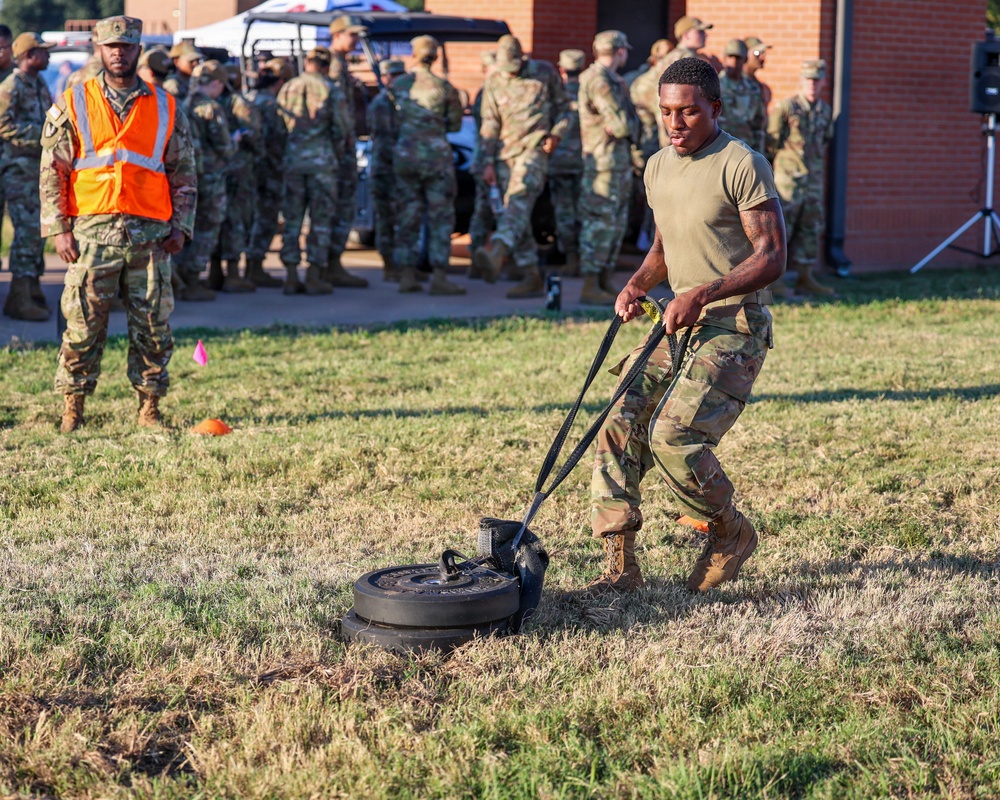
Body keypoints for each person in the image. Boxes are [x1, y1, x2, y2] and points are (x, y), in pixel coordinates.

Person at [580, 57, 785, 596]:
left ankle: (729, 532)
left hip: (734, 326)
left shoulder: (742, 163)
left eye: (688, 112)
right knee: (617, 422)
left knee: (674, 437)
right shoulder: (657, 166)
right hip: (679, 324)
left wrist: (703, 293)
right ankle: (621, 566)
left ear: (714, 109)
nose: (675, 123)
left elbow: (772, 255)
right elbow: (665, 245)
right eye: (666, 112)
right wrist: (639, 283)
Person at [42, 16, 196, 432]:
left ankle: (149, 407)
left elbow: (183, 170)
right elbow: (52, 169)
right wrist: (58, 227)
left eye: (127, 46)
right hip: (92, 235)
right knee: (82, 327)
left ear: (138, 49)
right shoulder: (74, 102)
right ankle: (72, 407)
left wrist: (182, 225)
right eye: (111, 46)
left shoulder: (165, 105)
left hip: (150, 236)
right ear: (99, 49)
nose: (119, 52)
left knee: (153, 328)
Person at [472, 34, 570, 298]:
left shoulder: (543, 72)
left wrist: (556, 134)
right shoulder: (493, 81)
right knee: (514, 214)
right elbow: (489, 126)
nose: (510, 73)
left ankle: (497, 250)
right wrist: (487, 162)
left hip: (534, 149)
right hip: (505, 156)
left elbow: (565, 109)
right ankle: (531, 275)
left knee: (518, 199)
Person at [390, 36, 464, 295]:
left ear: (413, 54)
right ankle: (440, 277)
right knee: (441, 217)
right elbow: (455, 123)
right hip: (436, 159)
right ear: (435, 56)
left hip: (405, 156)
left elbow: (389, 122)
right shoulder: (443, 87)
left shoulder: (398, 86)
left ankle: (407, 275)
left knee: (407, 216)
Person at [577, 30, 642, 306]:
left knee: (614, 223)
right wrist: (627, 124)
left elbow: (623, 124)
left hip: (616, 161)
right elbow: (621, 125)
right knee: (600, 222)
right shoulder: (598, 80)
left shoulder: (612, 79)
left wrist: (626, 124)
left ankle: (603, 278)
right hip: (603, 163)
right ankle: (591, 283)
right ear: (620, 51)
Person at [276, 46, 346, 295]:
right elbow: (341, 130)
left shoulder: (289, 87)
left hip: (295, 160)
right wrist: (336, 154)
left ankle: (291, 276)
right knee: (320, 220)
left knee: (292, 219)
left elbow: (279, 125)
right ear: (326, 66)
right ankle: (314, 275)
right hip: (321, 162)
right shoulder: (331, 89)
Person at [767, 59, 834, 297]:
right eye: (808, 79)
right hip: (788, 180)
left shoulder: (825, 111)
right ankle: (775, 281)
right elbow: (772, 141)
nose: (812, 84)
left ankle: (806, 278)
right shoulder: (787, 107)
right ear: (801, 81)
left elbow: (825, 140)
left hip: (813, 180)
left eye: (816, 80)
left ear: (824, 81)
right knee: (782, 229)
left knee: (811, 228)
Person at [0, 32, 55, 322]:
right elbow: (3, 126)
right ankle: (18, 297)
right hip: (18, 169)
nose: (48, 56)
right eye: (43, 52)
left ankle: (32, 289)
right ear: (29, 55)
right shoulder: (13, 85)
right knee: (26, 231)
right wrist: (44, 136)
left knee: (37, 231)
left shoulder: (39, 83)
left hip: (37, 168)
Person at [173, 61, 232, 302]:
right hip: (210, 176)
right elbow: (225, 146)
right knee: (208, 227)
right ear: (216, 83)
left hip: (187, 175)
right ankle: (193, 279)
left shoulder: (183, 105)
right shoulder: (211, 108)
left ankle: (179, 276)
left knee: (186, 227)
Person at [324, 14, 369, 289]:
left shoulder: (339, 64)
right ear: (338, 35)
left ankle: (332, 262)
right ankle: (330, 264)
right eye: (351, 35)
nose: (355, 40)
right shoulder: (333, 65)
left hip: (339, 146)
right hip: (337, 149)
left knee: (342, 205)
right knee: (338, 205)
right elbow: (335, 110)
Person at [208, 66, 261, 293]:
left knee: (219, 220)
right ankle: (233, 273)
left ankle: (215, 272)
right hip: (239, 170)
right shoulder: (240, 104)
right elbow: (255, 137)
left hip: (218, 170)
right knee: (236, 221)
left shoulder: (210, 103)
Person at [245, 58, 291, 289]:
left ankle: (249, 266)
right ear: (281, 81)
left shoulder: (250, 99)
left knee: (252, 216)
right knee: (266, 217)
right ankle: (255, 266)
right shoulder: (271, 105)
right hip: (268, 169)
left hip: (250, 167)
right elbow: (277, 140)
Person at [366, 58, 406, 282]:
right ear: (385, 78)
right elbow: (385, 136)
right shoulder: (383, 103)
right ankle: (389, 265)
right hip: (384, 167)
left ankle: (402, 265)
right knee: (386, 218)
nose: (397, 80)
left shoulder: (404, 101)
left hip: (399, 168)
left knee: (402, 217)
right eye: (394, 76)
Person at [547, 49, 585, 277]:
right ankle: (584, 257)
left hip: (559, 162)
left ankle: (570, 257)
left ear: (561, 69)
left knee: (563, 212)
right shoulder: (589, 91)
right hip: (583, 162)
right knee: (583, 211)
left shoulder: (556, 95)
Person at [466, 50, 497, 279]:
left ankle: (480, 260)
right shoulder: (488, 93)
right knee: (485, 210)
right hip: (488, 161)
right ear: (486, 70)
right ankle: (478, 259)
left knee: (486, 210)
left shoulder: (488, 91)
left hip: (487, 160)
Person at [717, 39, 765, 152]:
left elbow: (758, 123)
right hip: (720, 148)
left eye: (738, 58)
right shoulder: (715, 86)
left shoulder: (753, 88)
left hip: (745, 148)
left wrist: (760, 152)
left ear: (745, 60)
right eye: (730, 57)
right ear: (724, 58)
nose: (733, 62)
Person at [744, 37, 772, 110]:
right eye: (757, 53)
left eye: (763, 53)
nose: (762, 57)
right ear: (745, 54)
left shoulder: (756, 84)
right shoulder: (734, 80)